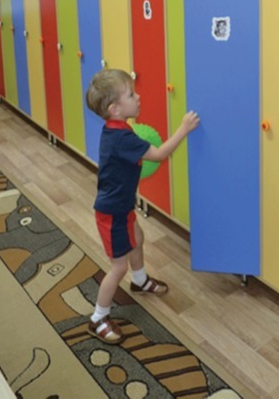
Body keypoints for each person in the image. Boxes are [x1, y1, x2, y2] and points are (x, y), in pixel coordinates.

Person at [85, 69, 200, 344]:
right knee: (117, 267)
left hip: (121, 205)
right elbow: (158, 155)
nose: (138, 97)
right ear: (114, 109)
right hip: (112, 212)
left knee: (138, 239)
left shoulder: (118, 129)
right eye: (131, 94)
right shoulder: (122, 138)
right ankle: (98, 317)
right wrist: (183, 129)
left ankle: (140, 281)